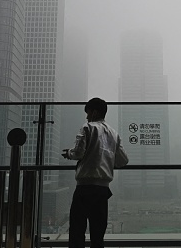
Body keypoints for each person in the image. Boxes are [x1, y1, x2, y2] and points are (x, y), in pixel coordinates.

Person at [62, 97, 129, 248]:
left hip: (84, 188)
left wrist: (69, 153)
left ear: (94, 112)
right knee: (98, 234)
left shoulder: (87, 127)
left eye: (88, 112)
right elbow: (123, 161)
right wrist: (108, 159)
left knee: (77, 230)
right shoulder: (114, 133)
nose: (86, 116)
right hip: (103, 190)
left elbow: (78, 153)